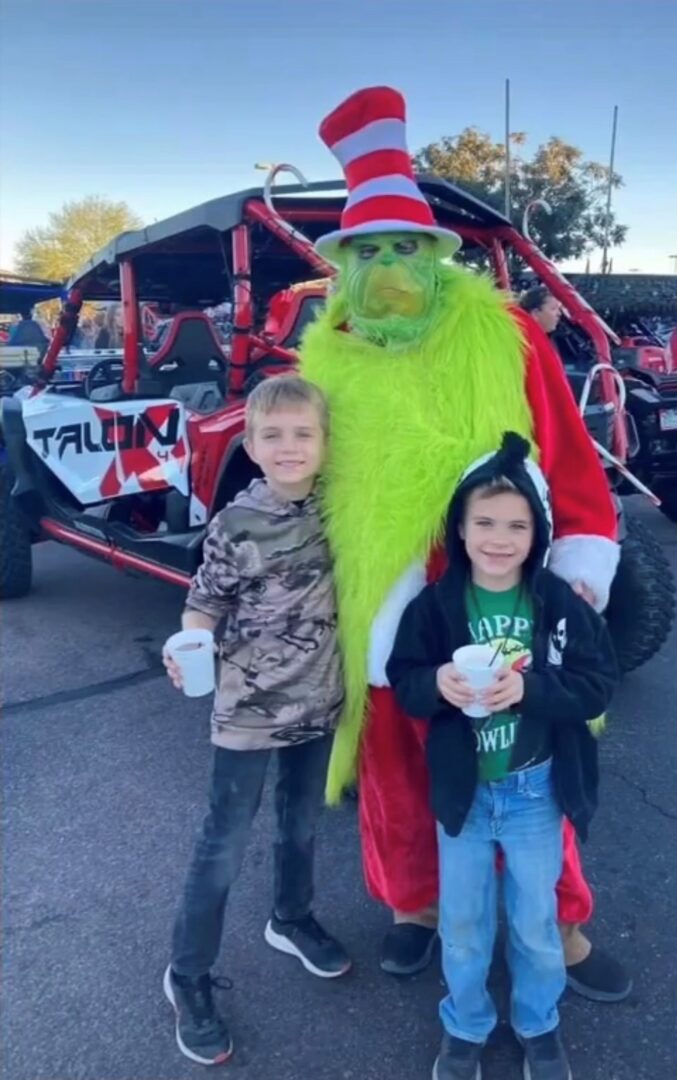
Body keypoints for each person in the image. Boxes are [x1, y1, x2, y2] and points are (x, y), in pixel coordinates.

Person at [299, 85, 631, 1002]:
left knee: (528, 761)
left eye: (406, 246)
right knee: (400, 767)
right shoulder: (326, 359)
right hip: (387, 602)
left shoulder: (506, 335)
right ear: (345, 266)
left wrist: (582, 558)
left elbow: (566, 454)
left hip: (501, 584)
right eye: (370, 250)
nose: (389, 265)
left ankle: (561, 926)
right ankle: (416, 908)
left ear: (439, 259)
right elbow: (299, 479)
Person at [387, 433, 618, 1080]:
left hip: (533, 792)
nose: (498, 537)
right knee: (462, 923)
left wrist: (533, 689)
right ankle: (464, 1026)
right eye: (483, 522)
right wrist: (435, 684)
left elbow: (598, 680)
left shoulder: (558, 604)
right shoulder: (434, 606)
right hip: (464, 793)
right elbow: (401, 674)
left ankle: (538, 1025)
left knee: (535, 921)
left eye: (516, 525)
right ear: (458, 529)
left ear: (537, 532)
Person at [162, 375, 350, 1066]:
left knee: (301, 823)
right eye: (273, 435)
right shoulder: (236, 522)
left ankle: (291, 918)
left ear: (327, 443)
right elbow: (202, 602)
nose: (289, 446)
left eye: (304, 433)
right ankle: (186, 975)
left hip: (321, 698)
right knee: (224, 844)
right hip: (246, 708)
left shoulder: (344, 506)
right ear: (250, 443)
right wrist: (188, 644)